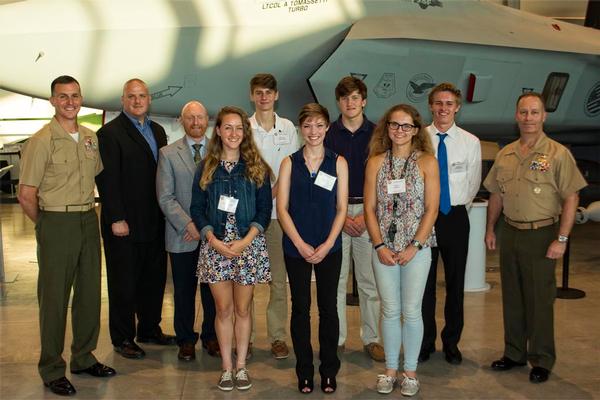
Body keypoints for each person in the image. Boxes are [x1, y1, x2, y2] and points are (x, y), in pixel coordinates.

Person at [18, 75, 115, 396]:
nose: (70, 102)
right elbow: (26, 194)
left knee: (89, 294)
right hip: (56, 222)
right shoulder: (42, 140)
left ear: (81, 98)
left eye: (75, 96)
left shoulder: (89, 138)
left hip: (88, 217)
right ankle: (51, 367)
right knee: (55, 299)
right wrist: (45, 225)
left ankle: (84, 357)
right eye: (63, 97)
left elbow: (97, 179)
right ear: (52, 101)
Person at [484, 92, 587, 384]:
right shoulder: (505, 154)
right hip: (511, 232)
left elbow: (571, 197)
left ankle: (541, 358)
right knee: (513, 297)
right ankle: (514, 353)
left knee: (540, 300)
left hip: (542, 234)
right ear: (516, 116)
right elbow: (496, 194)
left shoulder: (557, 154)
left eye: (534, 112)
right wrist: (491, 229)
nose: (528, 118)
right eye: (523, 112)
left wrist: (562, 239)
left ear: (544, 116)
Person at [190, 106, 273, 391]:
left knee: (243, 309)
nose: (233, 133)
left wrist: (244, 241)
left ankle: (241, 367)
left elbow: (264, 211)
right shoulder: (206, 167)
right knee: (222, 310)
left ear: (245, 132)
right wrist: (213, 240)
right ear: (219, 131)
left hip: (247, 246)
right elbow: (197, 209)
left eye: (239, 128)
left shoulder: (256, 168)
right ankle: (226, 368)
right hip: (215, 248)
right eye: (228, 127)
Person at [95, 78, 175, 360]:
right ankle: (123, 337)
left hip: (154, 220)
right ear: (123, 100)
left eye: (142, 96)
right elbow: (107, 180)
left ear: (149, 99)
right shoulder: (109, 134)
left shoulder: (158, 131)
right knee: (124, 283)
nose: (137, 101)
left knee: (153, 279)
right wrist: (116, 216)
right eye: (132, 96)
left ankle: (150, 329)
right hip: (124, 224)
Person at [363, 104, 439, 396]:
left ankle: (410, 372)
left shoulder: (427, 162)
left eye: (406, 126)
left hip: (416, 249)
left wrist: (415, 246)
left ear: (416, 130)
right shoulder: (375, 163)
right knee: (390, 310)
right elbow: (370, 208)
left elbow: (432, 209)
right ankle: (390, 370)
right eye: (394, 125)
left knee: (411, 310)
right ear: (387, 128)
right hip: (383, 248)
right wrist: (379, 244)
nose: (400, 131)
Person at [277, 103, 349, 394]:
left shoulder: (338, 162)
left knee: (329, 309)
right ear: (300, 128)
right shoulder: (289, 163)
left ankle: (329, 371)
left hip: (329, 247)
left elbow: (342, 207)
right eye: (307, 125)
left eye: (319, 125)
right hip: (296, 247)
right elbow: (282, 209)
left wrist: (328, 243)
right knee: (300, 310)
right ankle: (304, 371)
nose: (313, 131)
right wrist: (300, 243)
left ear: (327, 127)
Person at [420, 82, 481, 364]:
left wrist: (453, 209)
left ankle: (452, 342)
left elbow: (472, 184)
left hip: (455, 217)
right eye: (438, 103)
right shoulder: (418, 138)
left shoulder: (470, 142)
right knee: (424, 284)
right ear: (430, 106)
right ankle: (425, 341)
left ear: (457, 107)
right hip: (423, 218)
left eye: (449, 104)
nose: (443, 108)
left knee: (455, 283)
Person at [324, 76, 384, 361]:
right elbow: (321, 177)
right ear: (339, 102)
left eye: (356, 97)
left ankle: (371, 339)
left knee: (368, 281)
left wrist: (366, 215)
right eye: (345, 98)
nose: (351, 102)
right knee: (335, 281)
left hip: (367, 213)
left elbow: (384, 177)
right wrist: (341, 213)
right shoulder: (327, 134)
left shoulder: (377, 134)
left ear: (364, 100)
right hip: (336, 212)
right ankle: (336, 338)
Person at [156, 101, 219, 361]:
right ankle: (185, 339)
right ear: (182, 121)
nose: (195, 122)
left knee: (213, 291)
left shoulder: (220, 152)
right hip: (181, 234)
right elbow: (165, 197)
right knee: (183, 291)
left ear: (208, 120)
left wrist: (205, 227)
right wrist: (189, 225)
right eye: (190, 118)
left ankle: (211, 336)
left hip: (212, 235)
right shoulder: (168, 153)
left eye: (200, 117)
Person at [248, 73, 299, 360]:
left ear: (276, 95)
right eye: (259, 92)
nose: (264, 97)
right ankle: (248, 336)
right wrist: (259, 199)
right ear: (252, 96)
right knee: (247, 281)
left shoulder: (288, 127)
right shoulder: (244, 126)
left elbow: (289, 167)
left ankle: (278, 336)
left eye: (268, 92)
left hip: (279, 216)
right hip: (249, 217)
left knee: (278, 280)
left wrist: (272, 194)